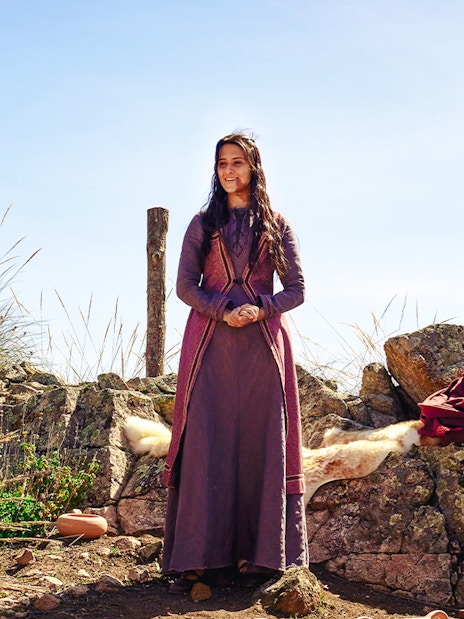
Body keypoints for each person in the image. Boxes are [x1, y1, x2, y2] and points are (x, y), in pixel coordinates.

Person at [161, 132, 308, 592]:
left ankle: (263, 556)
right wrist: (223, 310)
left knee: (261, 442)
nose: (229, 170)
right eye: (222, 162)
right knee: (208, 441)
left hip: (264, 348)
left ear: (254, 168)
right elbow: (186, 285)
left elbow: (297, 289)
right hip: (210, 346)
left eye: (238, 162)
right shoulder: (203, 224)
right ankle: (202, 556)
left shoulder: (276, 224)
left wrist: (260, 308)